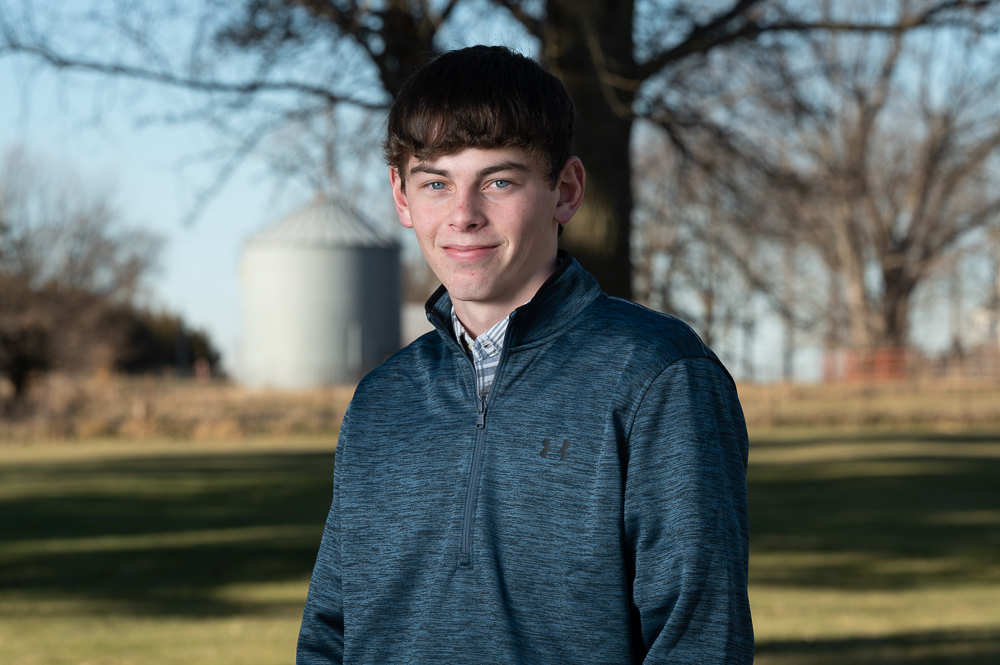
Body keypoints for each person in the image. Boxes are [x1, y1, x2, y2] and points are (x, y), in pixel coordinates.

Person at [297, 45, 753, 664]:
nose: (463, 215)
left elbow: (699, 640)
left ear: (565, 191)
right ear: (402, 198)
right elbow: (330, 631)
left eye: (499, 181)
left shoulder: (657, 376)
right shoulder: (382, 400)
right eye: (436, 183)